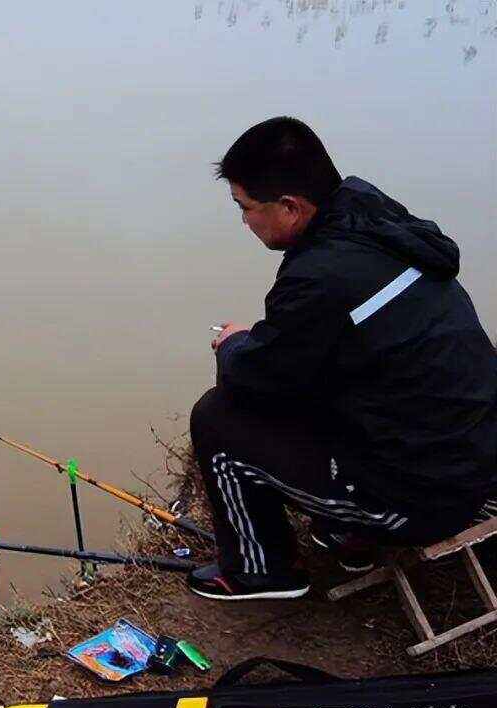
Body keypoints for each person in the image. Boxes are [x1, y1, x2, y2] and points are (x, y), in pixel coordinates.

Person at [187, 116, 496, 601]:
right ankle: (347, 533)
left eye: (246, 208)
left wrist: (233, 343)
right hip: (480, 459)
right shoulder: (375, 218)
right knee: (338, 377)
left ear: (290, 206)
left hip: (426, 501)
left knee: (217, 417)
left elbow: (253, 381)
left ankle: (259, 570)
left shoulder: (318, 278)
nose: (245, 222)